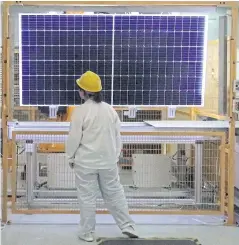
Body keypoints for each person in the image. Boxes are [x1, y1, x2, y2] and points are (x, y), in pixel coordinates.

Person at [66, 71, 138, 242]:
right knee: (115, 194)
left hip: (85, 163)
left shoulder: (80, 112)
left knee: (87, 198)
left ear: (83, 92)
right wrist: (114, 157)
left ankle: (87, 233)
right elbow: (117, 136)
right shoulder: (110, 110)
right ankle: (128, 226)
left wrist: (70, 157)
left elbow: (74, 138)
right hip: (108, 163)